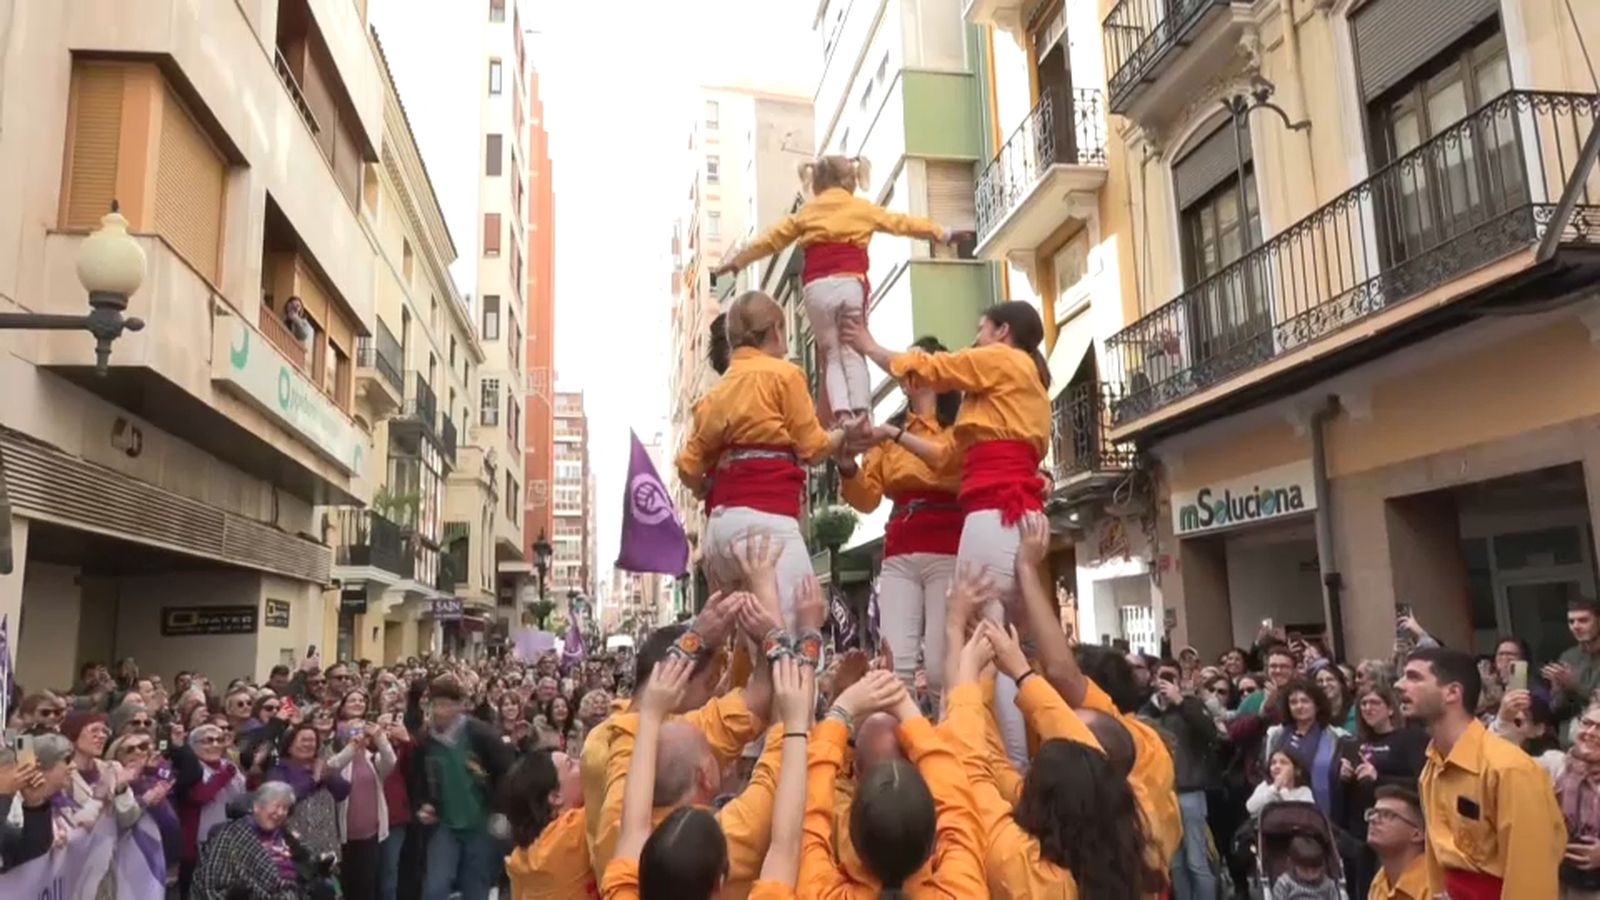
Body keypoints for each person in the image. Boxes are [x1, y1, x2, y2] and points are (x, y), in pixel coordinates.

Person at [842, 301, 1052, 768]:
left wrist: (868, 345)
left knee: (988, 645)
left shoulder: (1003, 360)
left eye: (981, 329)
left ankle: (1004, 769)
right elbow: (942, 458)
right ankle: (998, 765)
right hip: (993, 514)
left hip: (994, 512)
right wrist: (891, 434)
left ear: (1002, 331)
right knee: (988, 645)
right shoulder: (993, 399)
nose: (975, 339)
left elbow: (932, 369)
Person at [711, 154, 951, 431]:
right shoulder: (862, 209)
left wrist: (738, 261)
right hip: (850, 284)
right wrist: (942, 233)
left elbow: (770, 239)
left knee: (832, 354)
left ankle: (843, 415)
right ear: (851, 181)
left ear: (815, 183)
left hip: (816, 288)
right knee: (853, 350)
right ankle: (862, 413)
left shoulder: (806, 213)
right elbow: (903, 223)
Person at [944, 620, 1161, 899]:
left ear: (1035, 798)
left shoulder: (1030, 873)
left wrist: (968, 678)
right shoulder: (1141, 841)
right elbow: (1087, 753)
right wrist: (1019, 672)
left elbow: (973, 775)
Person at [676, 290, 850, 623]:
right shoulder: (785, 376)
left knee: (754, 637)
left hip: (720, 533)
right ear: (775, 331)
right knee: (801, 625)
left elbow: (687, 466)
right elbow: (813, 448)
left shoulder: (713, 395)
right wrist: (842, 434)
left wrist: (703, 487)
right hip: (766, 523)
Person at [837, 335, 963, 705]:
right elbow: (868, 499)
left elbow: (949, 467)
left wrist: (897, 434)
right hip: (899, 550)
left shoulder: (959, 426)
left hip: (948, 546)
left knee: (941, 667)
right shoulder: (887, 432)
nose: (909, 371)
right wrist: (846, 466)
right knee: (896, 665)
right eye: (906, 364)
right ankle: (904, 735)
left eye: (918, 363)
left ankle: (952, 733)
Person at [1399, 645, 1564, 898]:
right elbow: (1437, 865)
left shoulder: (1510, 769)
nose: (1400, 685)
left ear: (1452, 692)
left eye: (1414, 677)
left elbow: (1532, 875)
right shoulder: (1432, 766)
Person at [415, 674, 516, 900]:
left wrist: (501, 812)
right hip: (445, 824)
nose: (439, 711)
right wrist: (425, 804)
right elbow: (419, 779)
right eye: (434, 705)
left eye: (445, 705)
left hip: (481, 823)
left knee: (475, 888)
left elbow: (506, 772)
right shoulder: (426, 740)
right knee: (435, 889)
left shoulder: (481, 734)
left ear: (459, 706)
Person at [1144, 658, 1222, 900]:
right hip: (1162, 795)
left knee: (1197, 861)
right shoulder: (1146, 710)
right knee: (1175, 864)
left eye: (1171, 677)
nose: (1165, 683)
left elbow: (1210, 733)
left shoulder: (1191, 706)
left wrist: (1180, 702)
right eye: (1161, 676)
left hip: (1190, 792)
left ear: (1179, 681)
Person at [190, 782, 312, 900]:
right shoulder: (232, 834)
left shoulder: (287, 837)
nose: (280, 813)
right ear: (257, 807)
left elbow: (308, 872)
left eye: (285, 808)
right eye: (276, 806)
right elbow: (212, 884)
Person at [331, 699, 397, 900]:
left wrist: (379, 737)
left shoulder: (372, 760)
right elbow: (333, 766)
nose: (359, 735)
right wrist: (352, 747)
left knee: (366, 888)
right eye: (353, 731)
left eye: (362, 731)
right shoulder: (339, 759)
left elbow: (390, 761)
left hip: (370, 836)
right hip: (344, 837)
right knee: (347, 888)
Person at [501, 748, 589, 899]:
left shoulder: (520, 859)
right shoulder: (570, 833)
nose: (582, 763)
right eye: (571, 765)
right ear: (555, 796)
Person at [173, 722, 246, 896]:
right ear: (192, 745)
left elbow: (243, 796)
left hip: (229, 842)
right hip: (197, 845)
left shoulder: (229, 766)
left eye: (219, 740)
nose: (215, 745)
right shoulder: (189, 768)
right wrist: (224, 775)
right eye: (208, 741)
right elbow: (198, 796)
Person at [1364, 786, 1428, 900]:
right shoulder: (1380, 882)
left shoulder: (1434, 885)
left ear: (1418, 834)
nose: (1373, 819)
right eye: (1373, 813)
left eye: (1387, 815)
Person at [1549, 597, 1600, 731]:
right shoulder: (1568, 656)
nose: (1576, 626)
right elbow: (1556, 708)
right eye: (1571, 621)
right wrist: (1559, 688)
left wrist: (1573, 685)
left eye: (1583, 620)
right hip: (1572, 734)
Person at [1270, 834, 1342, 899]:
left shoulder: (1328, 885)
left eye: (1315, 871)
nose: (1310, 875)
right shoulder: (1285, 883)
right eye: (1304, 870)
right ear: (1293, 865)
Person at [1247, 749, 1317, 817]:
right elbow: (1250, 807)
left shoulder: (1304, 791)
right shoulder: (1265, 786)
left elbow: (1304, 814)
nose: (1277, 766)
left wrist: (1284, 791)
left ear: (1296, 770)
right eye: (1273, 763)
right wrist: (1274, 789)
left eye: (1283, 763)